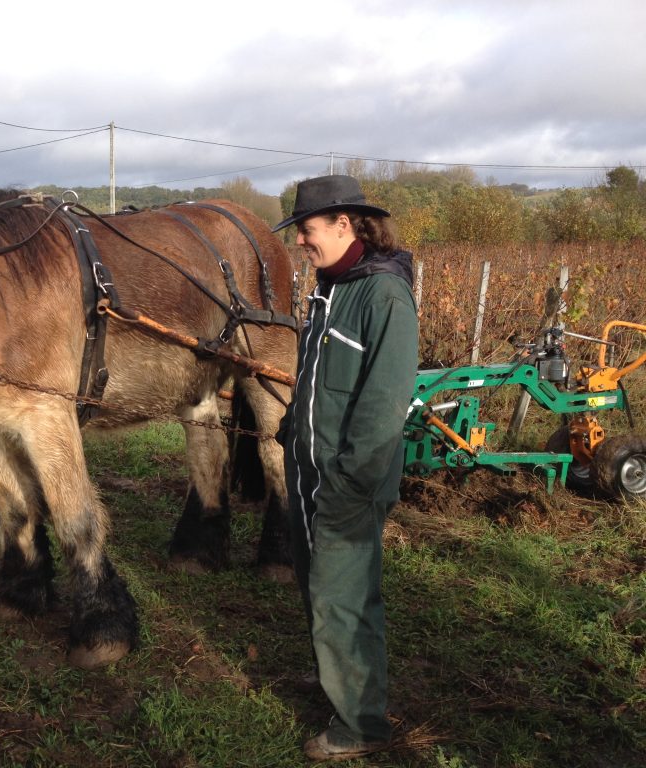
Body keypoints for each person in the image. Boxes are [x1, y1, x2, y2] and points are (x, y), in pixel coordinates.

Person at [274, 175, 418, 762]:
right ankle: (338, 679)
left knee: (344, 595)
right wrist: (290, 435)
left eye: (306, 231)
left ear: (343, 223)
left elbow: (384, 404)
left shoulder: (381, 296)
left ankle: (361, 722)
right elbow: (317, 381)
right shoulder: (330, 288)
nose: (301, 242)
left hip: (347, 481)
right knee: (320, 586)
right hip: (310, 467)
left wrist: (349, 485)